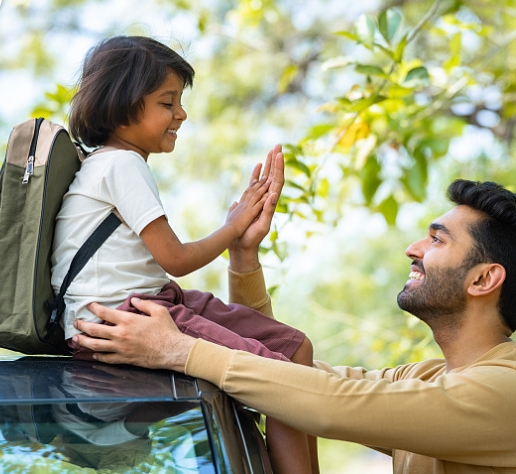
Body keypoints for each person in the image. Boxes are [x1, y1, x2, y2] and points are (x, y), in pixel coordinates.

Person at [73, 179, 516, 473]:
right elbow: (293, 380)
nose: (413, 248)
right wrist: (244, 261)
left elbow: (331, 406)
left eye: (437, 240)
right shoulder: (426, 380)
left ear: (484, 279)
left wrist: (180, 352)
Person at [51, 35, 318, 474]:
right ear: (121, 105)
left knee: (295, 349)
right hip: (132, 317)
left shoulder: (112, 164)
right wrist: (233, 229)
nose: (181, 114)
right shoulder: (120, 165)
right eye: (167, 102)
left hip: (156, 301)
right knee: (281, 378)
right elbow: (175, 257)